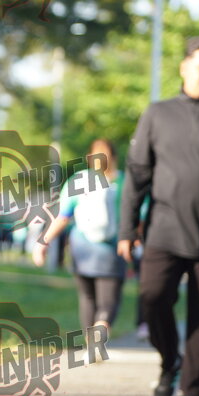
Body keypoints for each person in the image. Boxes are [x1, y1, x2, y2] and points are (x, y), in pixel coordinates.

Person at [118, 36, 199, 396]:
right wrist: (127, 229)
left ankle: (193, 392)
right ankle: (169, 360)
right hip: (163, 233)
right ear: (184, 67)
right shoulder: (158, 114)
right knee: (153, 299)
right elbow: (137, 175)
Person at [33, 139, 126, 335]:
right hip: (112, 248)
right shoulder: (124, 182)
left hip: (82, 248)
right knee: (109, 300)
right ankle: (102, 324)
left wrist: (43, 242)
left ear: (90, 158)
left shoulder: (79, 180)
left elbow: (63, 216)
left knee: (87, 297)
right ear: (115, 157)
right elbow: (138, 215)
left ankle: (91, 340)